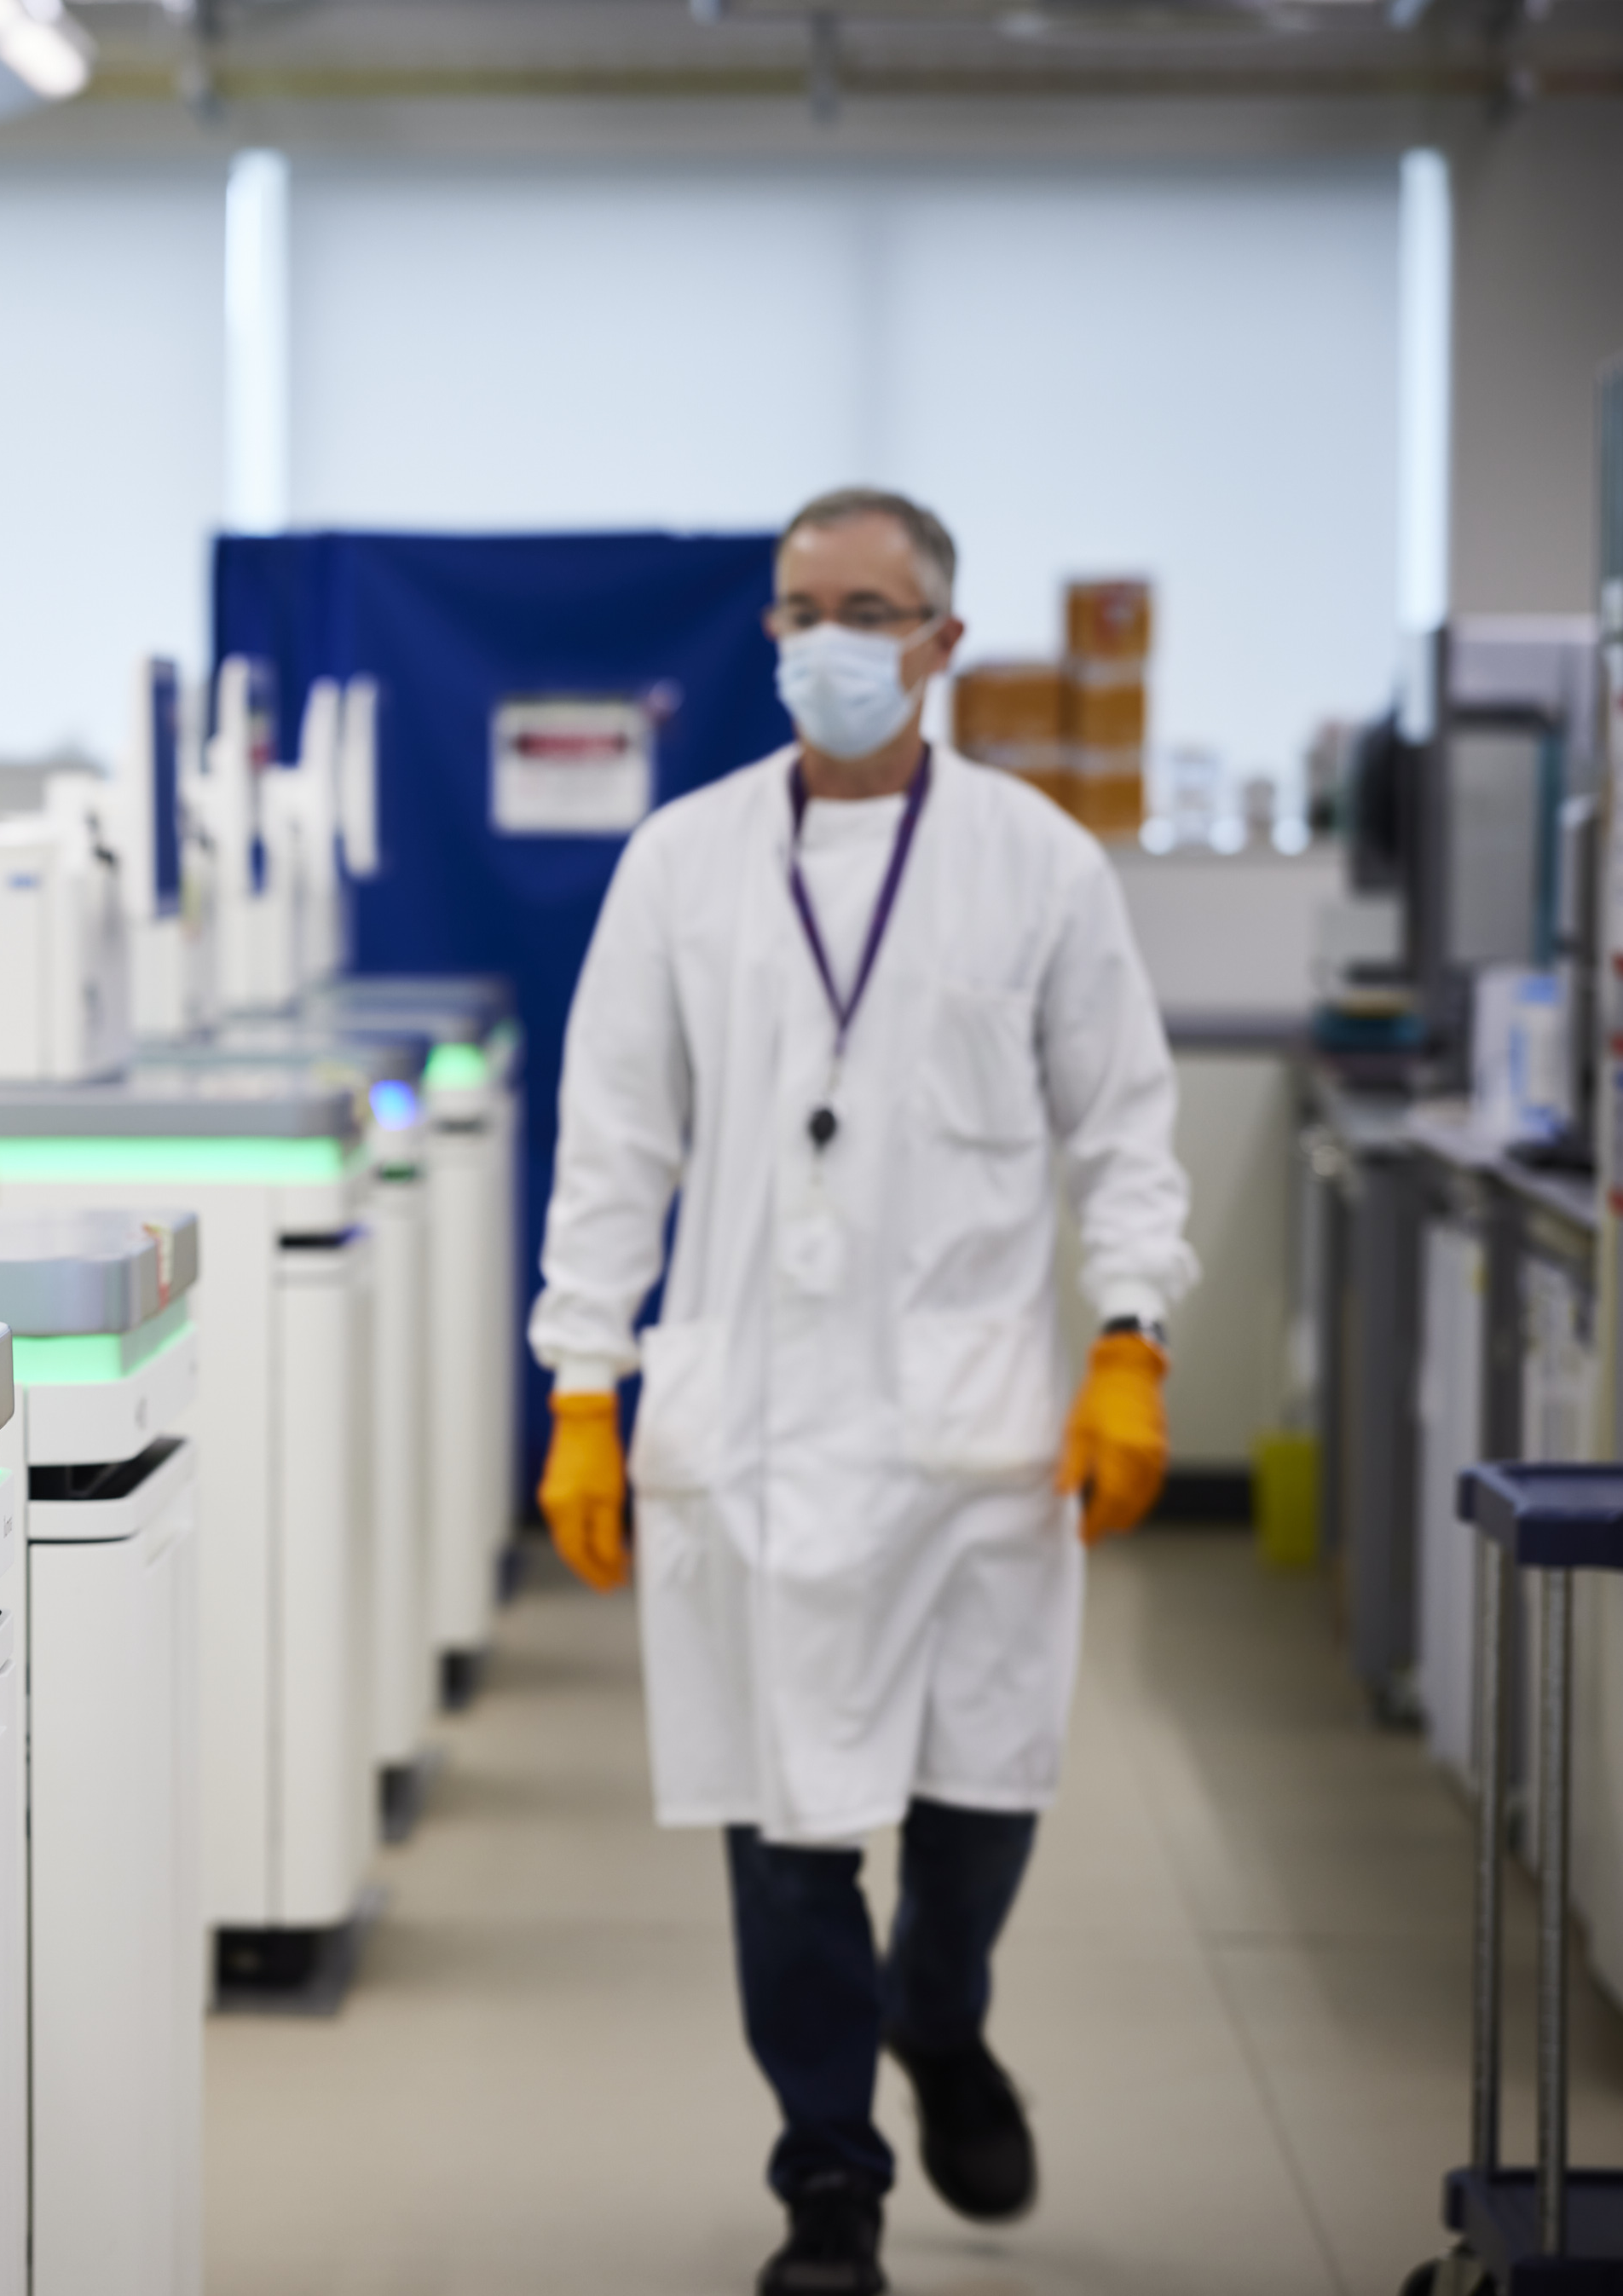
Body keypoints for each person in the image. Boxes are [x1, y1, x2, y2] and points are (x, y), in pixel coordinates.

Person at [526, 487, 1196, 2296]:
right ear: (769, 633)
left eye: (870, 609)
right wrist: (581, 1380)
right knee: (780, 1832)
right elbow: (612, 1141)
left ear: (940, 642)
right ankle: (829, 2184)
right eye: (800, 609)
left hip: (972, 1428)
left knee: (979, 1800)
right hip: (749, 1428)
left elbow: (1124, 1131)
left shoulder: (1036, 863)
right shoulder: (679, 863)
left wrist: (1129, 1336)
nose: (831, 640)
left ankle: (944, 2016)